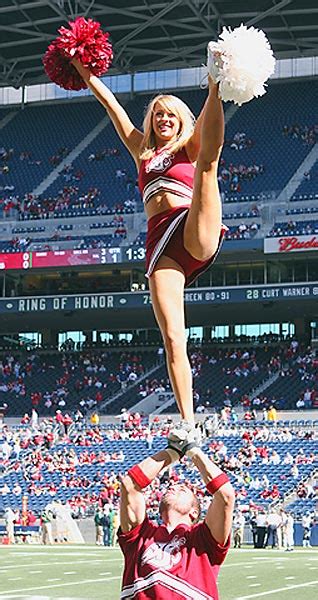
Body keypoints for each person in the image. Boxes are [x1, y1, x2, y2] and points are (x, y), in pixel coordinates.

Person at [72, 57, 226, 426]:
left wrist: (215, 85)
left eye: (171, 114)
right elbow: (112, 106)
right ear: (151, 121)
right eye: (158, 114)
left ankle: (219, 88)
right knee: (174, 337)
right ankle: (188, 424)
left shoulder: (187, 144)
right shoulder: (141, 149)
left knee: (207, 162)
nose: (164, 119)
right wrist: (85, 72)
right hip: (160, 244)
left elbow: (204, 124)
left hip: (191, 225)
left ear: (180, 120)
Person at [118, 424, 234, 599]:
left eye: (183, 490)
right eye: (173, 486)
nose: (174, 486)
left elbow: (225, 495)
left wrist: (193, 450)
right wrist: (172, 452)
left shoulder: (203, 540)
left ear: (194, 512)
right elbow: (129, 485)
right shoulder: (141, 537)